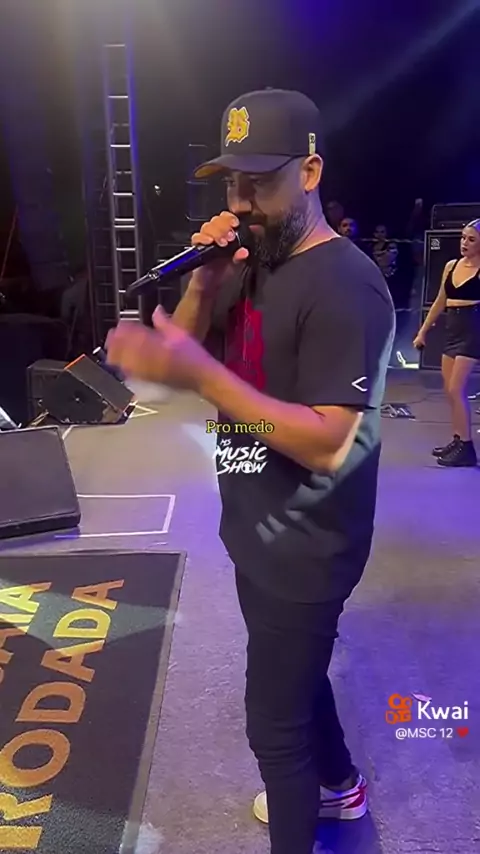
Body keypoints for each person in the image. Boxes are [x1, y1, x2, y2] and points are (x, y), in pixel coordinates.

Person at [106, 89, 395, 854]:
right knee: (299, 678)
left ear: (311, 172)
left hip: (309, 544)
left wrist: (202, 376)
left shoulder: (347, 285)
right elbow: (177, 358)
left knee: (273, 729)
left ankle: (319, 804)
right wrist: (202, 282)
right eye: (233, 183)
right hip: (251, 521)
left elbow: (329, 442)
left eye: (260, 183)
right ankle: (344, 784)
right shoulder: (245, 260)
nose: (241, 202)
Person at [413, 219, 480, 467]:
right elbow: (440, 300)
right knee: (449, 390)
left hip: (473, 330)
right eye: (463, 237)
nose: (464, 243)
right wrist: (423, 331)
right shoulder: (452, 266)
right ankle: (458, 439)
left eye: (471, 239)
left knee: (456, 389)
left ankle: (467, 448)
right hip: (452, 329)